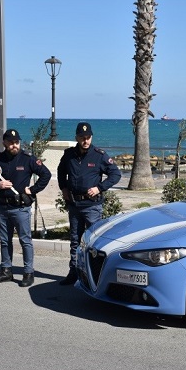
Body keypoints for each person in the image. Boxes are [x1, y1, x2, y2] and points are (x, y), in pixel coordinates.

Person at [57, 121, 122, 285]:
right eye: (82, 137)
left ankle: (95, 276)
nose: (85, 140)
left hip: (92, 206)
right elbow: (60, 171)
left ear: (91, 137)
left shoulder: (99, 155)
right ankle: (73, 273)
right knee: (75, 241)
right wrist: (63, 188)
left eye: (88, 137)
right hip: (74, 205)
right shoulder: (69, 155)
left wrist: (99, 188)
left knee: (94, 243)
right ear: (76, 138)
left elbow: (115, 175)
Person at [0, 129, 51, 287]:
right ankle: (6, 271)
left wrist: (32, 190)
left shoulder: (28, 159)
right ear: (4, 143)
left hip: (20, 208)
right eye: (11, 142)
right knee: (4, 241)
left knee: (25, 241)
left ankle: (28, 273)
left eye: (17, 142)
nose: (15, 145)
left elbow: (46, 174)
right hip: (2, 206)